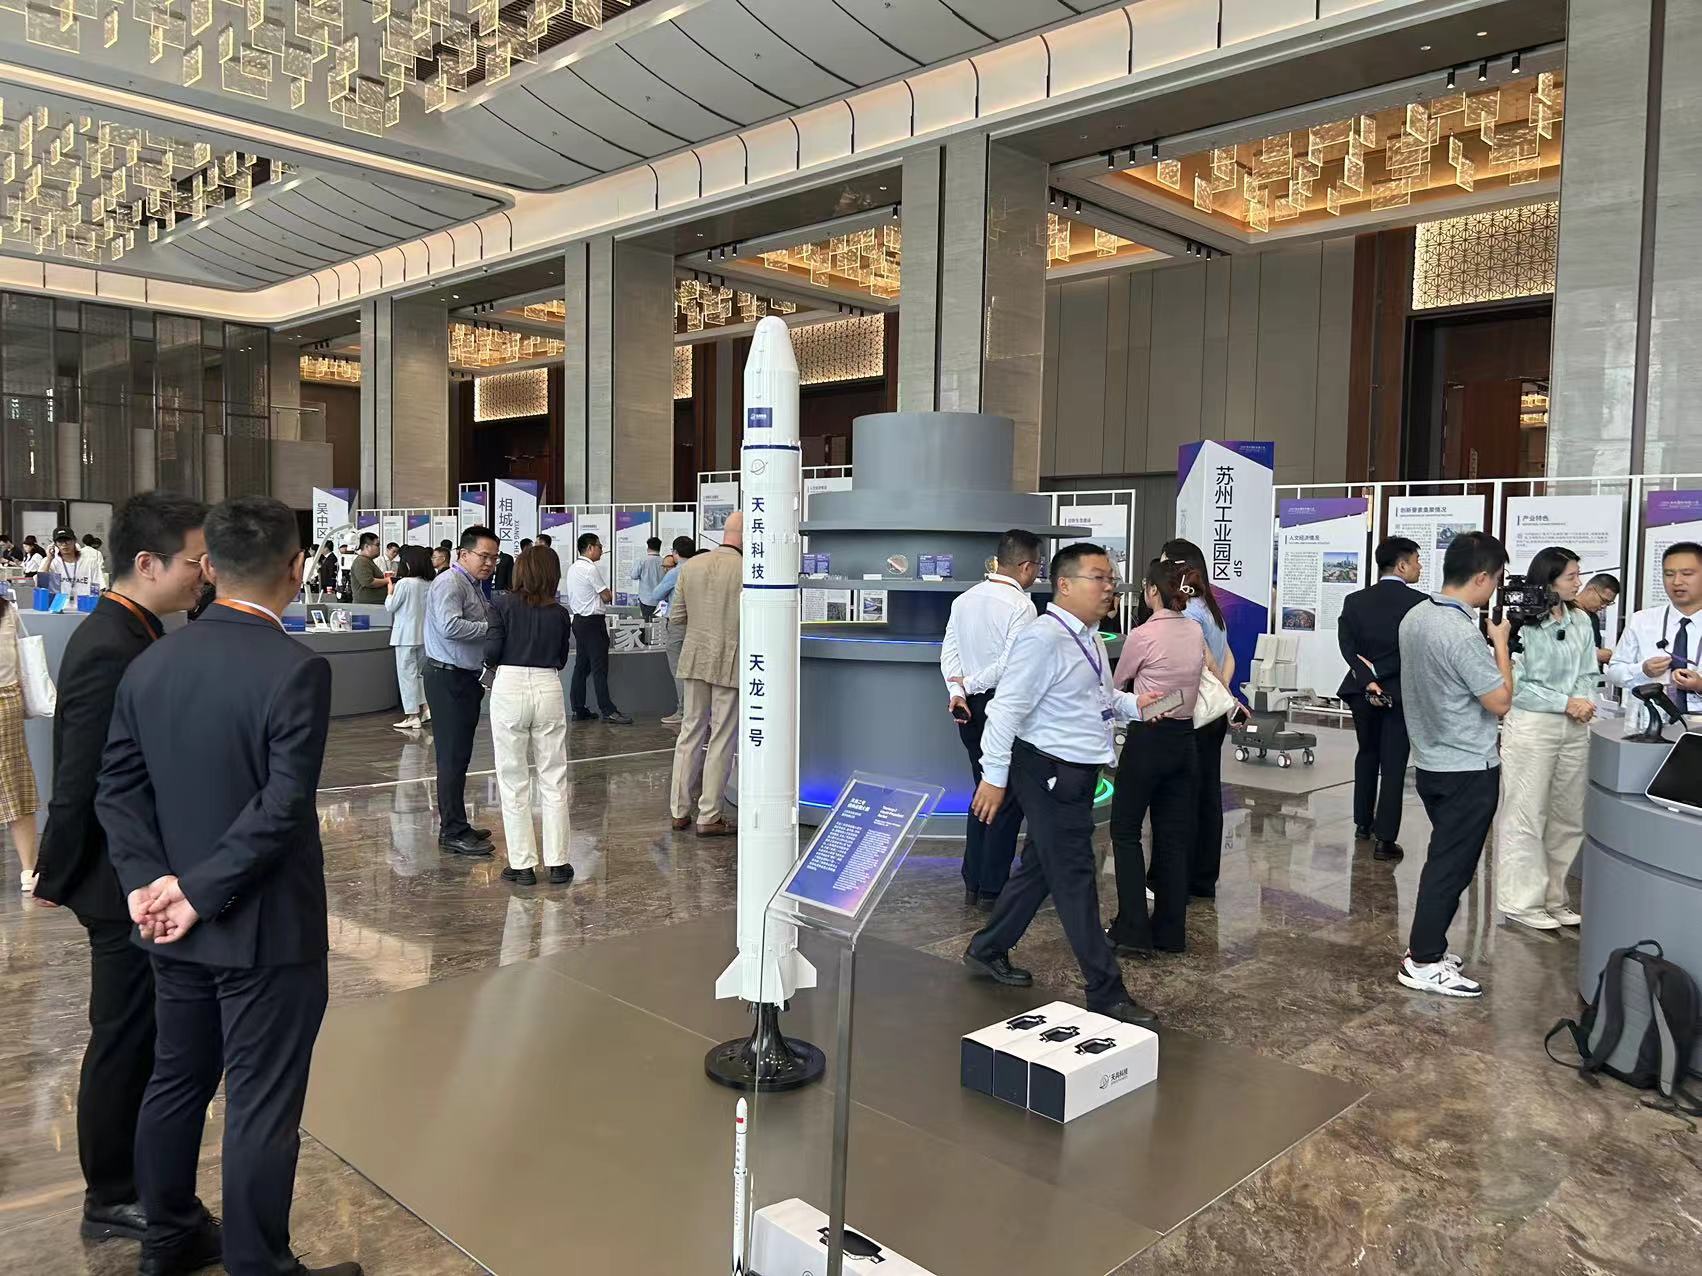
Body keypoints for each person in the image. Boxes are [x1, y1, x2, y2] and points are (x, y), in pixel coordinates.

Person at [99, 495, 360, 1276]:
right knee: (260, 1100)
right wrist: (194, 891)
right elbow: (281, 807)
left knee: (177, 1080)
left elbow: (117, 788)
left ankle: (170, 1236)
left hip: (170, 926)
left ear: (209, 566)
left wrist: (151, 885)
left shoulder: (151, 662)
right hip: (264, 930)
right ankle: (256, 1263)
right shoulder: (296, 669)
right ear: (297, 567)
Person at [30, 492, 208, 1247]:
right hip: (115, 878)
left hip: (135, 870)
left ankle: (132, 1178)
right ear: (147, 563)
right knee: (124, 1035)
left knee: (142, 1032)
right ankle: (109, 1193)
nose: (205, 573)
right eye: (196, 561)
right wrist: (55, 872)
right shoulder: (111, 644)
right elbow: (81, 776)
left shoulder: (138, 631)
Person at [961, 543, 1162, 1028]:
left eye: (1111, 578)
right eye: (1099, 577)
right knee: (1075, 877)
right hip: (1049, 772)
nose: (1110, 586)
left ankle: (987, 948)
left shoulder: (1088, 637)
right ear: (1065, 584)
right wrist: (993, 778)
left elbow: (1097, 698)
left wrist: (1136, 706)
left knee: (1040, 869)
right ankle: (1106, 991)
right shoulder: (1042, 639)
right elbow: (1004, 711)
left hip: (1076, 773)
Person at [1396, 531, 1513, 999]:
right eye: (1496, 579)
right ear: (1481, 577)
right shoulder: (1461, 632)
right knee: (1451, 866)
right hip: (1467, 765)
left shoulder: (1416, 615)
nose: (1496, 587)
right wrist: (1500, 643)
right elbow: (1500, 701)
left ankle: (1429, 948)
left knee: (1446, 859)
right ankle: (1423, 960)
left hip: (1431, 760)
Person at [1105, 558, 1222, 955]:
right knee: (1173, 837)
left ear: (1153, 591)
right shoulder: (1194, 630)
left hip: (1148, 740)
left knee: (1125, 831)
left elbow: (1117, 684)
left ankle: (1132, 928)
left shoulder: (1142, 634)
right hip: (1185, 742)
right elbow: (1199, 680)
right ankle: (1171, 933)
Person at [1495, 547, 1599, 932]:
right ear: (1549, 580)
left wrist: (1583, 701)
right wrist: (1565, 702)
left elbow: (1588, 670)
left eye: (1578, 575)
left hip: (1574, 726)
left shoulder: (1580, 620)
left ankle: (1555, 897)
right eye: (1571, 577)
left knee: (1568, 816)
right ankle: (1521, 901)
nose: (1579, 583)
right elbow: (1517, 685)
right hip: (1533, 725)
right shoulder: (1521, 623)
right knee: (1527, 813)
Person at [940, 529, 1042, 908]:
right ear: (1026, 566)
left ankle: (973, 880)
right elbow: (1011, 665)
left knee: (981, 788)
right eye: (1038, 566)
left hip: (967, 709)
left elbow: (949, 653)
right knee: (1005, 795)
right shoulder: (1023, 607)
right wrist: (968, 685)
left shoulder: (964, 599)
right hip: (1004, 707)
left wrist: (958, 691)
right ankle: (992, 889)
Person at [485, 546, 575, 888]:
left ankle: (522, 865)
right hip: (548, 684)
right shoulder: (560, 613)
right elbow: (562, 658)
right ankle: (558, 862)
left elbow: (492, 651)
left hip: (509, 685)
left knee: (513, 778)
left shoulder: (502, 604)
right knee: (554, 775)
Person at [1337, 536, 1426, 862]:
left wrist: (1368, 677)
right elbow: (1416, 650)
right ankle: (1385, 840)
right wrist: (1383, 672)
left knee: (1367, 753)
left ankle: (1363, 824)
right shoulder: (1421, 604)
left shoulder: (1354, 600)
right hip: (1399, 693)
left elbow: (1347, 647)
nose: (1419, 567)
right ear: (1401, 565)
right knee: (1393, 764)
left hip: (1361, 692)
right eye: (1416, 561)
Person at [1158, 538, 1235, 897]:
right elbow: (1228, 659)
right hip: (1212, 713)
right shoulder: (1212, 609)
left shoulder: (1187, 612)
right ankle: (1204, 877)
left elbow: (1195, 664)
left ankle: (1182, 878)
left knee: (1183, 797)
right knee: (1208, 795)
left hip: (1190, 714)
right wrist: (1221, 694)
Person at [425, 526, 499, 856]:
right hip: (448, 678)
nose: (489, 563)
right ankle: (452, 831)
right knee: (452, 757)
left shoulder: (472, 585)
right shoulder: (450, 583)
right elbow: (450, 626)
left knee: (459, 756)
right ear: (463, 554)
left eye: (494, 558)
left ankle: (457, 823)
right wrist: (492, 628)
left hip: (463, 678)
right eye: (484, 556)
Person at [669, 512, 743, 837]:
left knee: (690, 732)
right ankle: (709, 815)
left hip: (694, 657)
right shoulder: (747, 569)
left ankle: (678, 810)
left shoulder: (691, 566)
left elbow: (677, 617)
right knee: (722, 735)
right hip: (731, 659)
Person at [1607, 542, 1702, 716]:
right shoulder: (1642, 620)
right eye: (1669, 574)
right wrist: (1642, 670)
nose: (1677, 582)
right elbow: (1614, 672)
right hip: (1651, 719)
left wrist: (1700, 685)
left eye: (1687, 574)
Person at [0, 571, 41, 895]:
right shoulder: (7, 610)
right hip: (8, 700)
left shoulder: (8, 610)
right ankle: (29, 870)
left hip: (6, 699)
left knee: (14, 783)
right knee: (15, 784)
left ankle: (30, 868)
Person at [565, 532, 631, 724]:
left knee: (582, 667)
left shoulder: (573, 568)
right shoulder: (590, 569)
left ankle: (578, 708)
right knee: (599, 667)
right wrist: (608, 592)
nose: (601, 550)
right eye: (600, 546)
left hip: (579, 622)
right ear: (590, 548)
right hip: (593, 623)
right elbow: (606, 596)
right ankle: (608, 710)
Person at [645, 535, 697, 725]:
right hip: (699, 624)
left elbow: (656, 594)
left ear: (675, 553)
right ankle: (700, 712)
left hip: (678, 624)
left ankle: (684, 711)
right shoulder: (700, 569)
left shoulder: (676, 572)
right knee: (696, 670)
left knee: (679, 669)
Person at [386, 544, 434, 731]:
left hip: (404, 636)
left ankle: (412, 715)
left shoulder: (405, 583)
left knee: (407, 676)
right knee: (419, 675)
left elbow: (391, 606)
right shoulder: (429, 584)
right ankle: (426, 708)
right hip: (423, 636)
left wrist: (390, 591)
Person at [46, 526, 108, 597]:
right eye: (60, 541)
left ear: (75, 541)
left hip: (84, 603)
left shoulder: (90, 562)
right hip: (62, 603)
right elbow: (42, 585)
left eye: (67, 540)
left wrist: (93, 601)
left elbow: (97, 587)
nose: (64, 544)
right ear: (55, 544)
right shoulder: (54, 563)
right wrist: (48, 559)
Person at [1576, 572, 1620, 666]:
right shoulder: (1562, 612)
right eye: (1603, 600)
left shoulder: (1594, 618)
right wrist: (1595, 655)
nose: (1604, 606)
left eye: (1608, 603)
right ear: (1590, 590)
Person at [631, 536, 668, 621]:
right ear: (659, 548)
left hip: (645, 599)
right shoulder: (664, 561)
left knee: (646, 623)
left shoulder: (642, 560)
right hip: (660, 600)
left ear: (648, 548)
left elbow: (634, 576)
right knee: (659, 623)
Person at [348, 532, 387, 603]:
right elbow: (369, 582)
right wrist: (388, 580)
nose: (379, 548)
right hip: (366, 606)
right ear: (367, 546)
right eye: (377, 545)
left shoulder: (368, 561)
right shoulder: (361, 561)